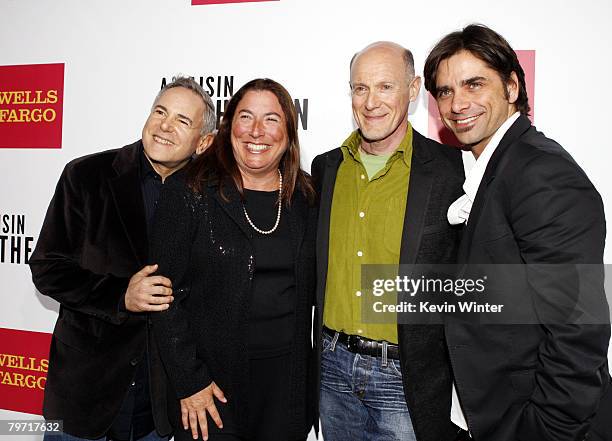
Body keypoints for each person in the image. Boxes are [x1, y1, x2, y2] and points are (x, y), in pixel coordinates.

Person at [423, 24, 611, 441]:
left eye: (474, 84)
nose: (457, 104)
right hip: (493, 414)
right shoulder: (499, 165)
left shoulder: (540, 172)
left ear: (511, 87)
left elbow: (577, 329)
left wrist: (546, 430)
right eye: (445, 91)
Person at [29, 76, 216, 440]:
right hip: (84, 395)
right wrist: (119, 296)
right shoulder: (87, 176)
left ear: (204, 141)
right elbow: (48, 268)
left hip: (158, 407)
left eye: (182, 120)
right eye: (160, 112)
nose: (165, 125)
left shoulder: (208, 198)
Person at [311, 42, 465, 441]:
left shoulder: (452, 171)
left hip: (406, 377)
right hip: (332, 368)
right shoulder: (327, 167)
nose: (371, 102)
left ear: (413, 90)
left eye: (385, 87)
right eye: (360, 88)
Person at [149, 78, 317, 441]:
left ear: (288, 132)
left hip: (286, 386)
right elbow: (162, 297)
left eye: (271, 119)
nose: (257, 131)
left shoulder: (306, 197)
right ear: (228, 128)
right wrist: (189, 379)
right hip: (211, 390)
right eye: (246, 117)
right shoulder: (190, 191)